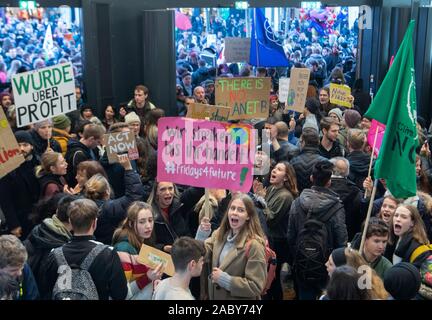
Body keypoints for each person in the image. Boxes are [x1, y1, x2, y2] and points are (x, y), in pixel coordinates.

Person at [40, 199, 128, 300]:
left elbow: (46, 291)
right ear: (94, 223)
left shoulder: (54, 255)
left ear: (70, 222)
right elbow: (120, 294)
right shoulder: (108, 254)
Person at [288, 160, 347, 300]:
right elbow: (341, 240)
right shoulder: (336, 207)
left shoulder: (296, 203)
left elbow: (290, 236)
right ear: (329, 182)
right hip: (328, 267)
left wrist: (298, 256)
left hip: (303, 264)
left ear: (311, 178)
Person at [196, 193, 267, 300]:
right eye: (232, 208)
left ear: (248, 216)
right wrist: (202, 233)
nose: (235, 213)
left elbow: (256, 286)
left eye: (241, 210)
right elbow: (201, 253)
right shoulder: (220, 234)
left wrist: (226, 280)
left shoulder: (254, 245)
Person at [254, 162, 298, 299]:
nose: (274, 171)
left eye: (279, 170)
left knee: (273, 278)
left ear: (286, 177)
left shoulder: (285, 196)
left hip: (278, 242)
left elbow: (270, 219)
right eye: (274, 168)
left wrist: (260, 198)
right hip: (269, 238)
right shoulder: (272, 188)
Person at [84, 156, 144, 244]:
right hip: (110, 247)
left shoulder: (81, 206)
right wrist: (128, 168)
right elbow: (133, 197)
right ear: (107, 191)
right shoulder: (109, 208)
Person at [24, 195, 76, 291]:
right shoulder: (64, 248)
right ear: (72, 219)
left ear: (57, 211)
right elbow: (64, 288)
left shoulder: (38, 230)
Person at [112, 202, 163, 299]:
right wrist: (148, 278)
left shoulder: (145, 241)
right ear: (131, 223)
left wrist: (154, 280)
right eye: (142, 222)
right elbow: (122, 293)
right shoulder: (123, 249)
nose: (148, 226)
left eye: (150, 220)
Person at [0, 131, 40, 238]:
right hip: (21, 218)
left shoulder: (38, 162)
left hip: (39, 215)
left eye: (25, 145)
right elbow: (5, 200)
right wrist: (14, 224)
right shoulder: (7, 168)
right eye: (18, 145)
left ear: (31, 146)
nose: (21, 148)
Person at [147, 182, 204, 252]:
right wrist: (163, 248)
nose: (167, 192)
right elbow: (147, 243)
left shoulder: (181, 204)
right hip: (164, 257)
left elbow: (196, 192)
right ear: (156, 192)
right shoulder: (148, 213)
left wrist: (205, 179)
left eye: (170, 188)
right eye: (162, 189)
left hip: (186, 252)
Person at [0, 235, 39, 300]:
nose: (20, 273)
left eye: (22, 267)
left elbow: (33, 296)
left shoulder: (21, 265)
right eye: (13, 270)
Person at [290, 127, 327, 192]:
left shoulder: (293, 161)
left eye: (301, 141)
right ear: (318, 142)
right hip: (318, 198)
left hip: (298, 199)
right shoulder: (325, 162)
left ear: (303, 142)